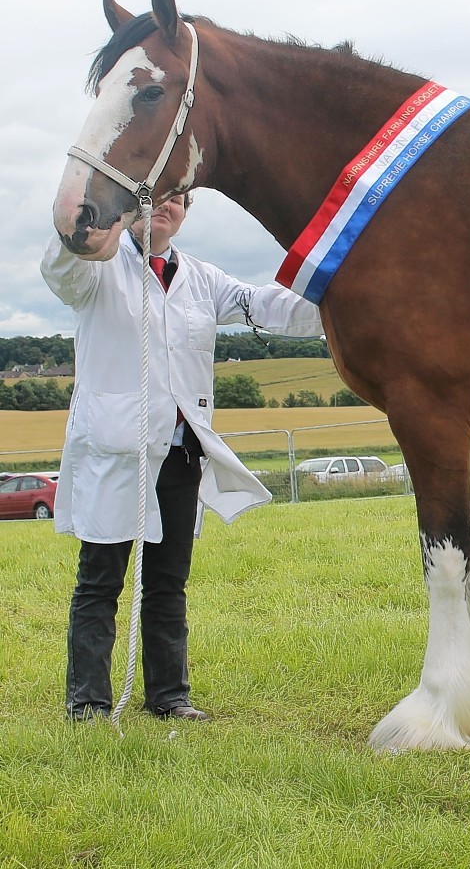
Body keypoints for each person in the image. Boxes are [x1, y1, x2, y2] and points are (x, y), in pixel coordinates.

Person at [42, 193, 323, 722]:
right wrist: (79, 223)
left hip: (180, 453)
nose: (165, 207)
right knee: (100, 579)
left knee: (168, 582)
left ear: (186, 213)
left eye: (176, 199)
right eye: (154, 199)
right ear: (131, 209)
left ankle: (170, 697)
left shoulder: (201, 277)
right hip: (118, 451)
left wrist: (346, 295)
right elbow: (62, 272)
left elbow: (265, 305)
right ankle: (89, 703)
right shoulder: (100, 267)